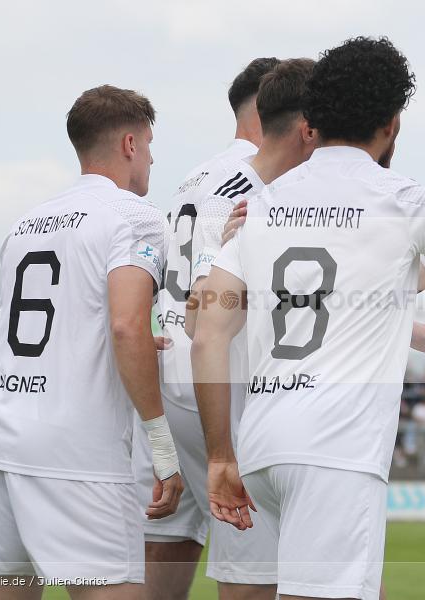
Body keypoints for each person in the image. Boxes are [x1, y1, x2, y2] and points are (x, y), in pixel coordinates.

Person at [192, 36, 425, 600]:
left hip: (260, 445)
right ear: (392, 122)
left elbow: (208, 334)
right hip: (335, 449)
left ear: (316, 117)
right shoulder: (406, 199)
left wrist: (219, 455)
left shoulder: (258, 204)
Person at [0, 84, 183, 600]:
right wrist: (162, 447)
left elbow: (40, 326)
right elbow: (126, 325)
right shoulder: (135, 216)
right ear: (130, 144)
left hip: (1, 438)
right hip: (77, 452)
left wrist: (124, 343)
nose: (152, 158)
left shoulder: (24, 224)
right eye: (150, 145)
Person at [130, 56, 280, 600]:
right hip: (220, 380)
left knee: (165, 547)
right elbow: (215, 294)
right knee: (253, 567)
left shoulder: (193, 178)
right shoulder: (260, 180)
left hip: (166, 379)